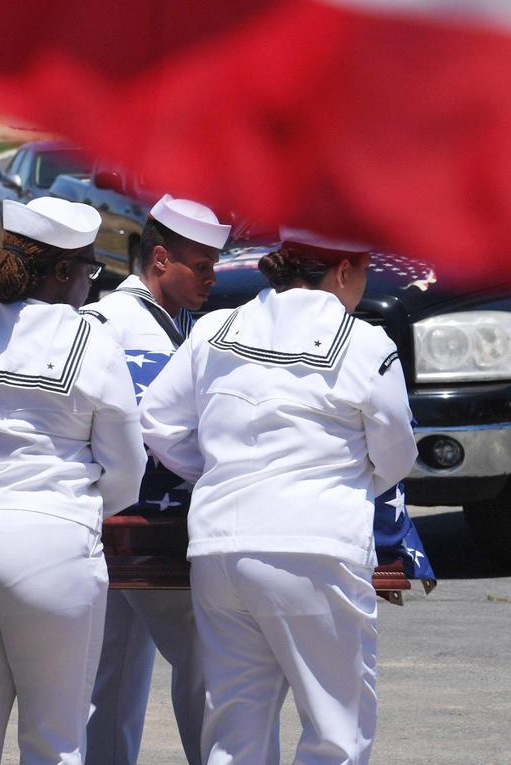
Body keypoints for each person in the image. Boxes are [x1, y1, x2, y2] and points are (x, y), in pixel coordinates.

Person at [139, 233, 417, 764]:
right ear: (342, 271)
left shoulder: (215, 329)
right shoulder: (365, 343)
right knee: (337, 729)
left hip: (222, 546)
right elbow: (396, 452)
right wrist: (353, 484)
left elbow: (157, 420)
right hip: (317, 544)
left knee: (234, 729)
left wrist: (220, 473)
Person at [0, 197, 148, 765]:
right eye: (89, 271)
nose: (91, 285)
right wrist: (87, 507)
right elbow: (126, 468)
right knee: (54, 738)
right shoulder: (92, 341)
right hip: (50, 539)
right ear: (65, 271)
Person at [81, 194, 230, 765]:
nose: (212, 278)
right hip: (148, 527)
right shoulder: (118, 326)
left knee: (112, 683)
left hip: (122, 528)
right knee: (209, 674)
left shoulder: (165, 321)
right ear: (161, 259)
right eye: (202, 265)